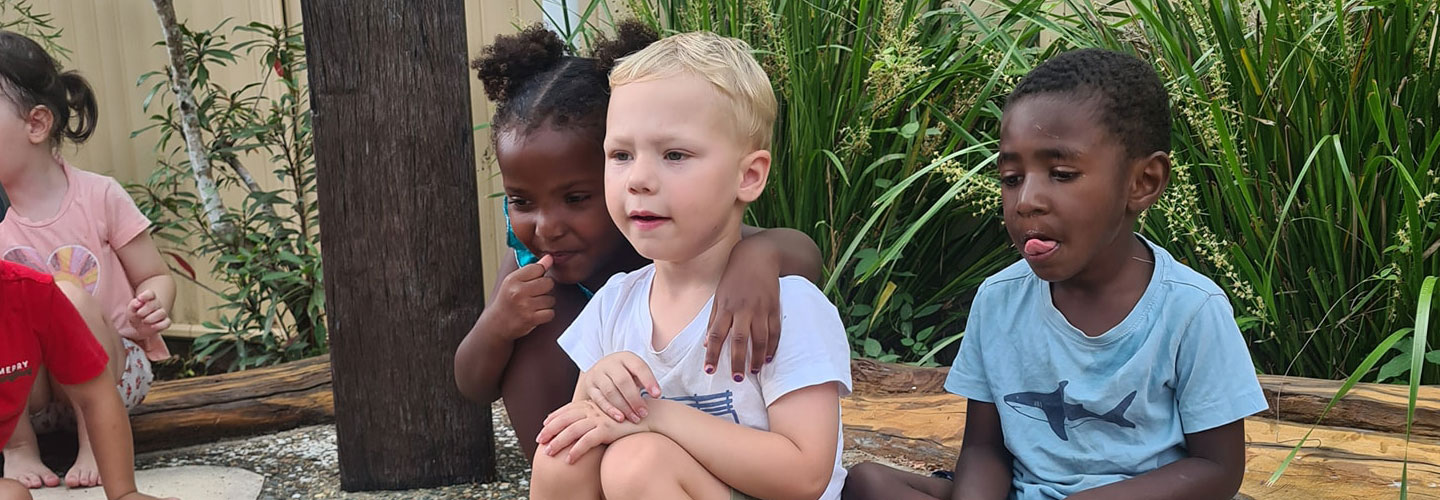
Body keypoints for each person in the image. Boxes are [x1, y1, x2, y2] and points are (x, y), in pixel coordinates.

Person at [842, 48, 1268, 500]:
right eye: (1011, 178)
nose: (1026, 200)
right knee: (869, 483)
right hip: (1025, 491)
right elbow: (985, 449)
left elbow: (1218, 469)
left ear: (1142, 182)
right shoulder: (998, 299)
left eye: (1061, 174)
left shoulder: (1191, 309)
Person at [453, 21, 823, 461]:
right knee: (538, 317)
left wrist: (757, 255)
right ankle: (562, 468)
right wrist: (499, 323)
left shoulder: (661, 233)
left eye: (576, 198)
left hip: (688, 449)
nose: (547, 226)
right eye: (521, 201)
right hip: (584, 436)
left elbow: (806, 257)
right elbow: (472, 385)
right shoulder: (533, 263)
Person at [528, 31, 853, 500]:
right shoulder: (614, 304)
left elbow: (805, 476)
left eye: (674, 155)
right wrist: (601, 387)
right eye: (621, 155)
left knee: (637, 462)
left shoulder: (790, 308)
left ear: (749, 176)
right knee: (564, 456)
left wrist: (656, 416)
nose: (638, 179)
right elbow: (585, 431)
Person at [0, 31, 174, 490]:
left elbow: (154, 274)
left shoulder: (100, 196)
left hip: (113, 376)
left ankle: (96, 441)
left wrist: (153, 302)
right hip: (34, 397)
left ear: (37, 123)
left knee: (66, 294)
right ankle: (17, 447)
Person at [0, 261, 177, 500]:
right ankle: (20, 450)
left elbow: (97, 396)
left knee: (13, 496)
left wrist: (124, 493)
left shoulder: (30, 291)